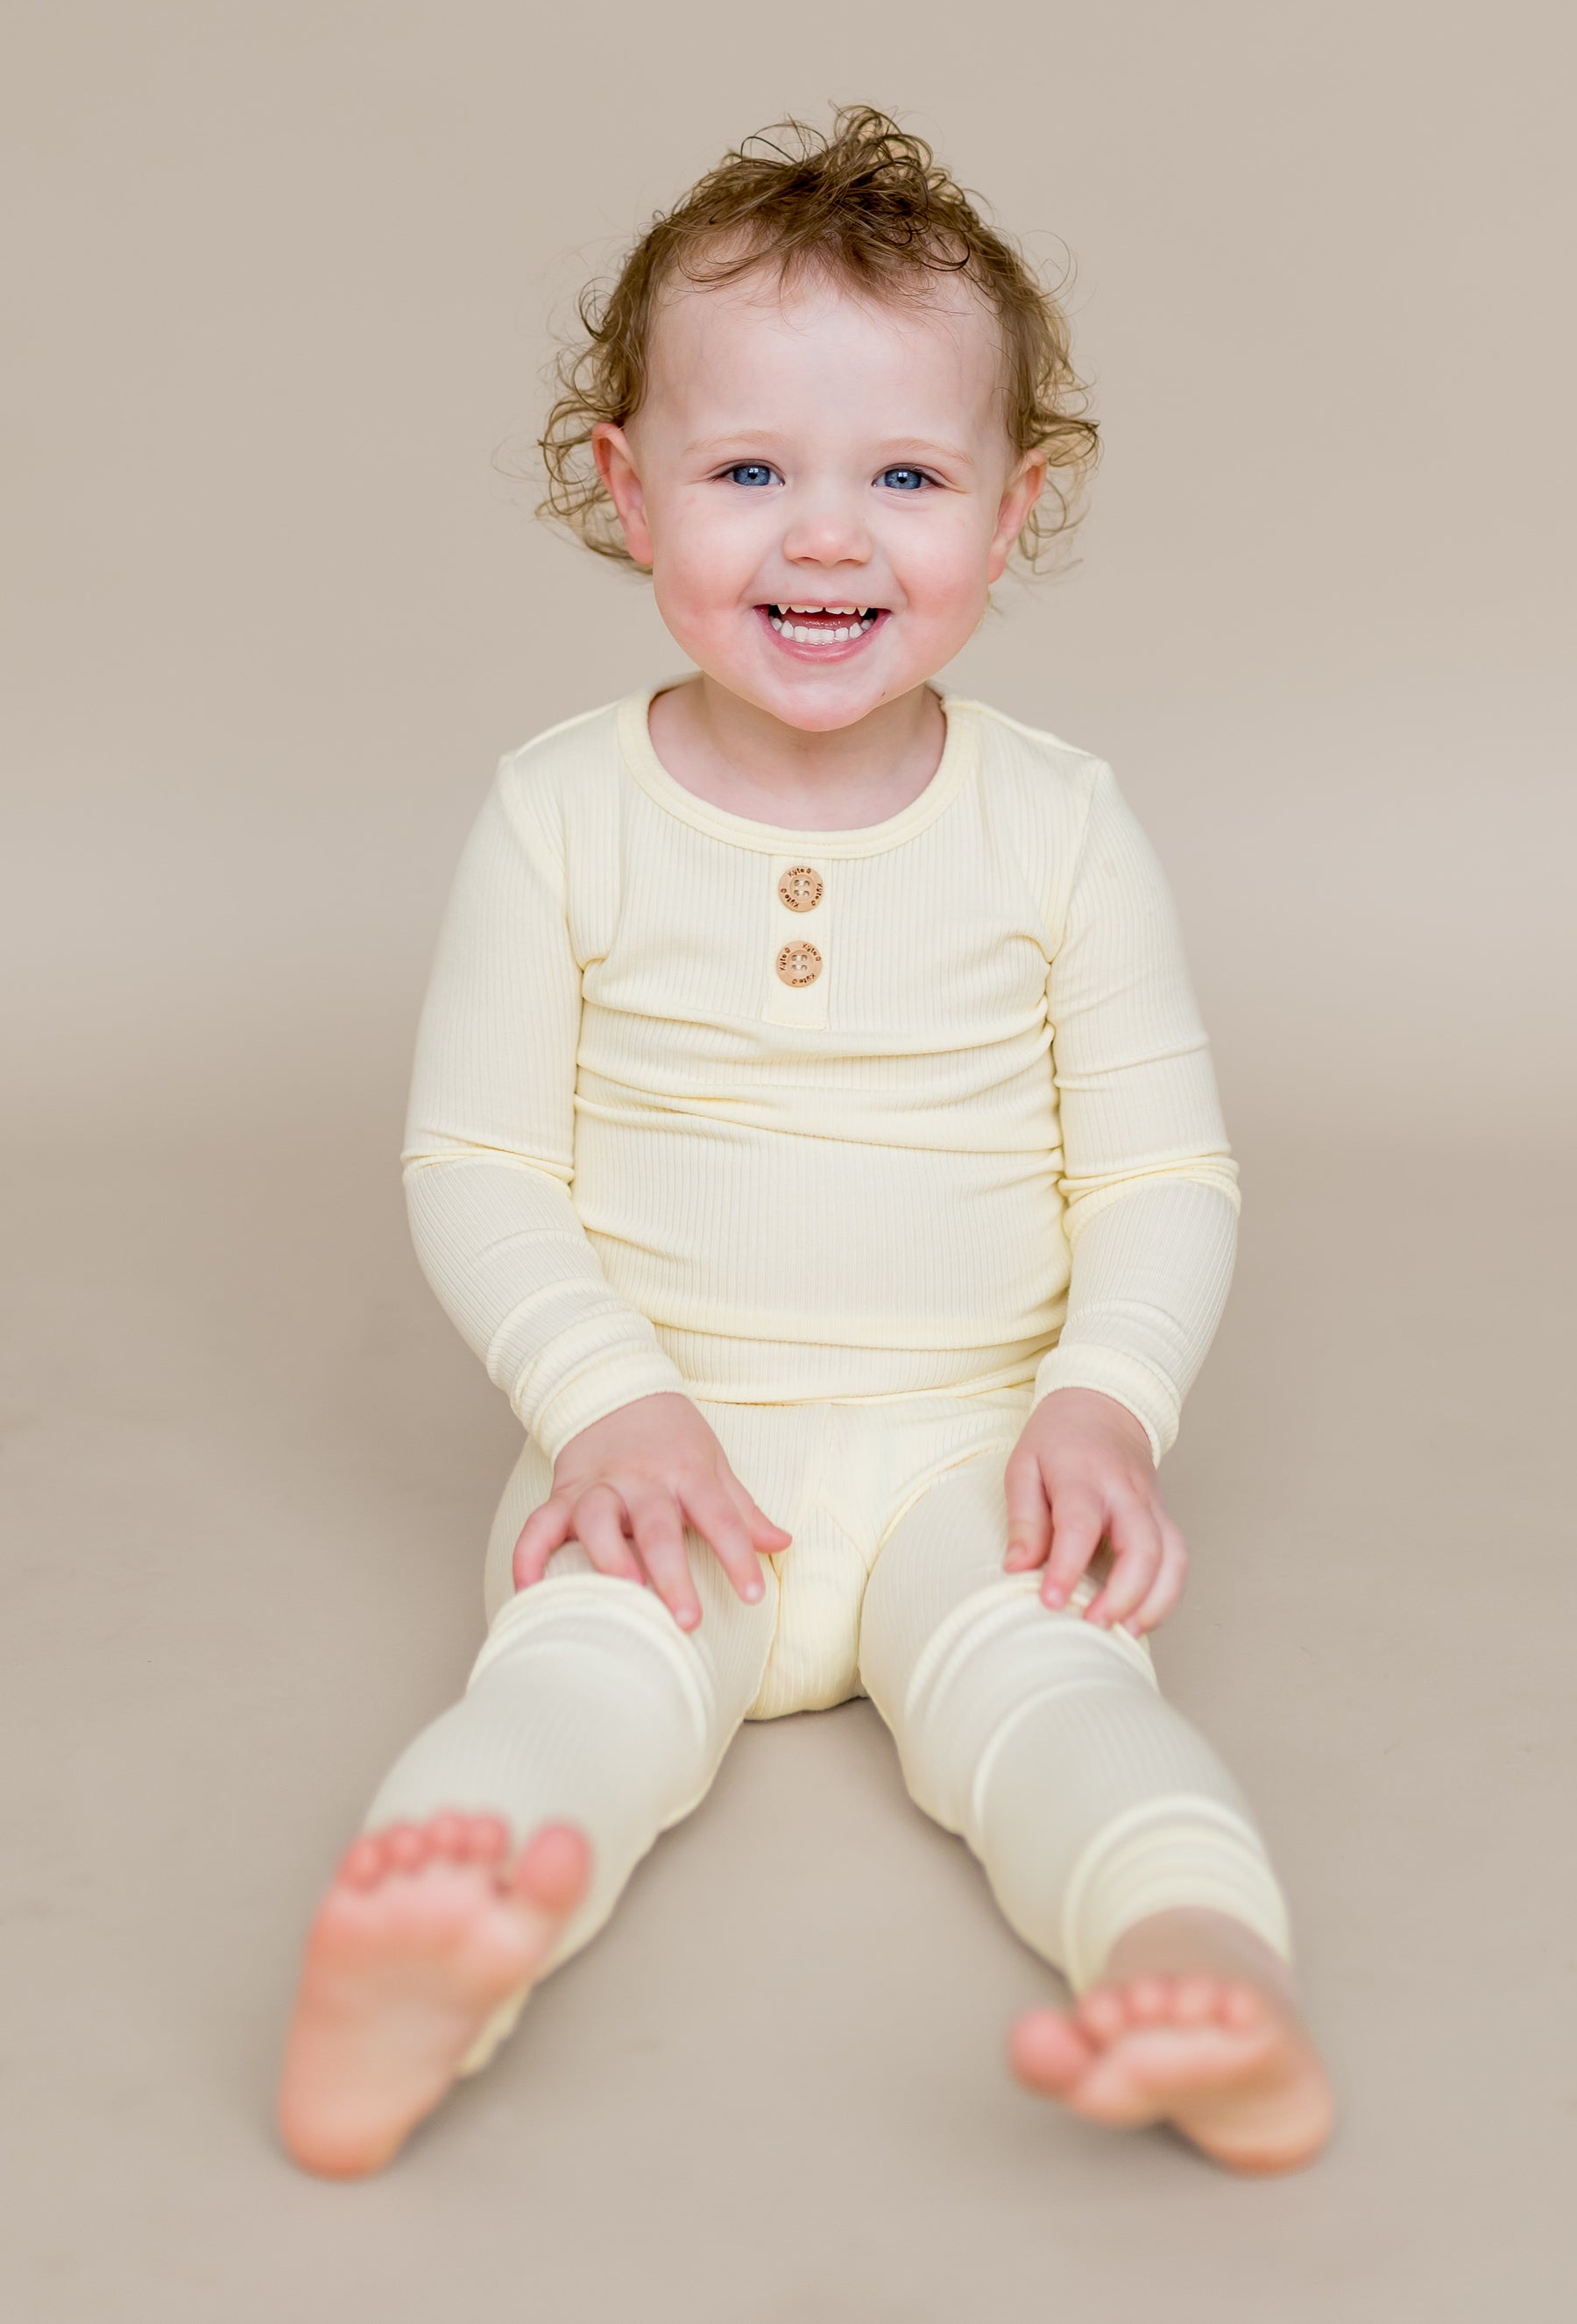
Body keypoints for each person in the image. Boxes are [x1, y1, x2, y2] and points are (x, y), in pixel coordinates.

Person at [275, 105, 1337, 2180]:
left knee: (1065, 1705)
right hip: (672, 1446)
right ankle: (421, 1959)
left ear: (1016, 508)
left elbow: (1157, 1173)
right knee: (576, 1675)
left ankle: (1205, 1962)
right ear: (626, 486)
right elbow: (476, 1162)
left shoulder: (1061, 824)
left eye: (907, 477)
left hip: (979, 1442)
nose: (826, 537)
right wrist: (608, 1412)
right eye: (749, 470)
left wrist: (1104, 1407)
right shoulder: (558, 814)